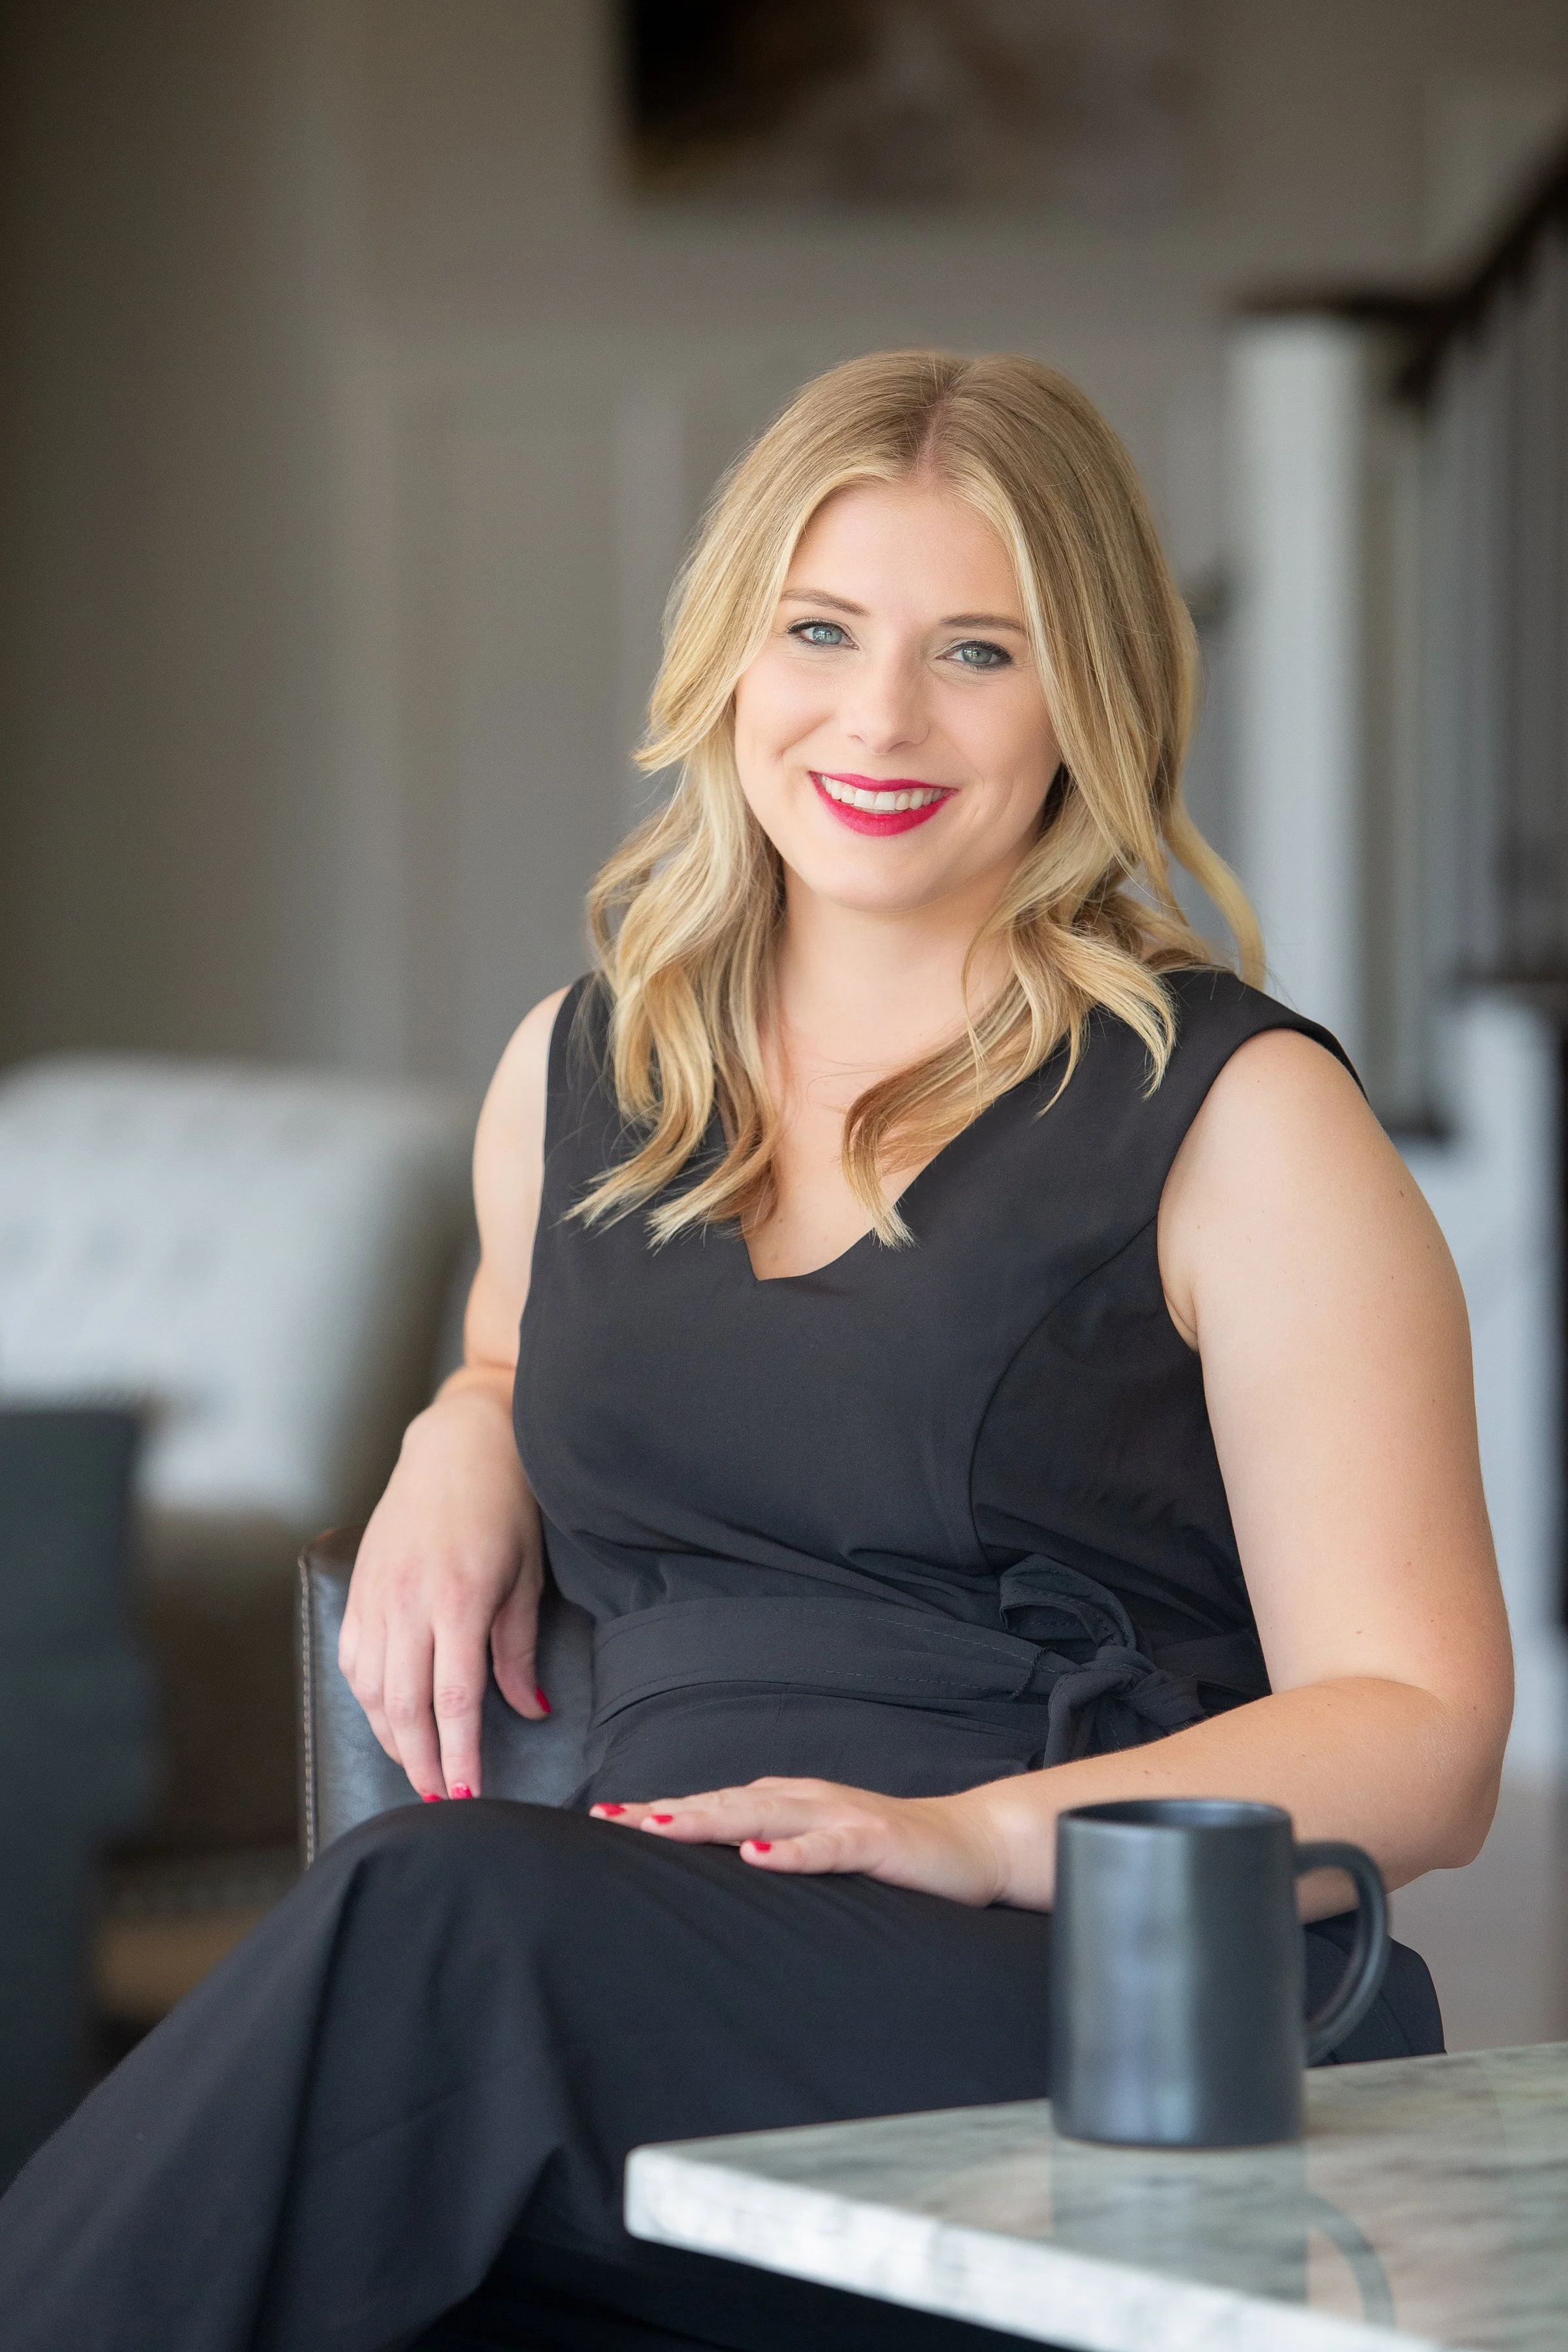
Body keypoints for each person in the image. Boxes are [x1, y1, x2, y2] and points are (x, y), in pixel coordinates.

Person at [0, 351, 1511, 2352]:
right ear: (731, 654)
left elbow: (1424, 1726)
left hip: (1080, 1989)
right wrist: (466, 1422)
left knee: (434, 1917)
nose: (879, 717)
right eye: (822, 630)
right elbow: (532, 1358)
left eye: (979, 649)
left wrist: (970, 1843)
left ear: (1094, 696)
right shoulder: (582, 1064)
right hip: (659, 1984)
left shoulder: (1235, 1122)